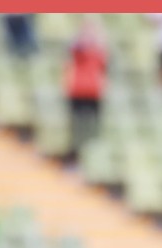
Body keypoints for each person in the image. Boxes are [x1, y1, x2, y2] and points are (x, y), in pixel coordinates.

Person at [64, 21, 108, 157]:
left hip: (94, 91)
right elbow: (73, 48)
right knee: (75, 125)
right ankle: (74, 154)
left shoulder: (99, 51)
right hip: (78, 90)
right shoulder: (78, 48)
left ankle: (91, 154)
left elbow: (105, 65)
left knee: (94, 126)